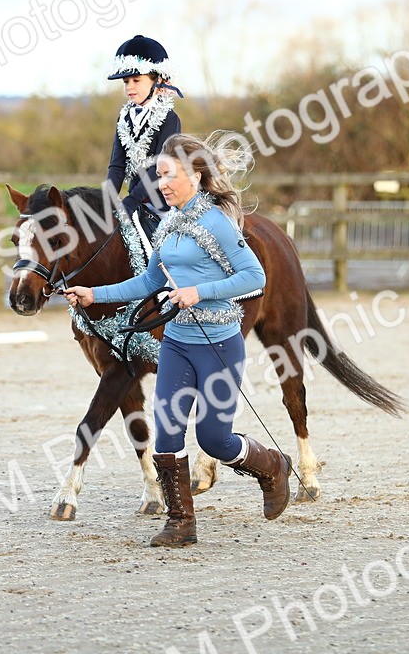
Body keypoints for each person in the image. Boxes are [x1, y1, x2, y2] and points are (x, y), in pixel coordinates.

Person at [64, 133, 291, 547]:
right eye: (158, 176)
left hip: (219, 345)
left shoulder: (216, 222)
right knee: (168, 432)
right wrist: (94, 295)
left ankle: (273, 466)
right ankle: (181, 523)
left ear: (195, 175)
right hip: (177, 343)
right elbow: (150, 280)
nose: (160, 184)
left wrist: (198, 292)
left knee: (214, 440)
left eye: (167, 175)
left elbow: (254, 277)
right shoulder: (169, 223)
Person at [103, 35, 182, 240]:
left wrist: (131, 200)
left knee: (174, 250)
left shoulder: (169, 118)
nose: (129, 87)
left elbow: (158, 167)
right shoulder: (124, 118)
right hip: (135, 201)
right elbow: (117, 166)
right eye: (126, 81)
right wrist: (108, 200)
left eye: (136, 80)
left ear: (157, 80)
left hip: (165, 202)